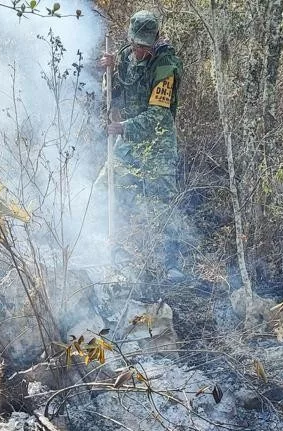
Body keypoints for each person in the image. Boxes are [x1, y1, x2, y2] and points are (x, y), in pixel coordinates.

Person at [98, 10, 186, 283]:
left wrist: (125, 127)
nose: (139, 51)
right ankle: (106, 249)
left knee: (161, 207)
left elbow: (159, 116)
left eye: (144, 47)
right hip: (130, 143)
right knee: (105, 187)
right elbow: (113, 94)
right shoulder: (125, 56)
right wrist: (109, 72)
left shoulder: (166, 66)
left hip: (157, 144)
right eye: (136, 44)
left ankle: (171, 266)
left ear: (156, 39)